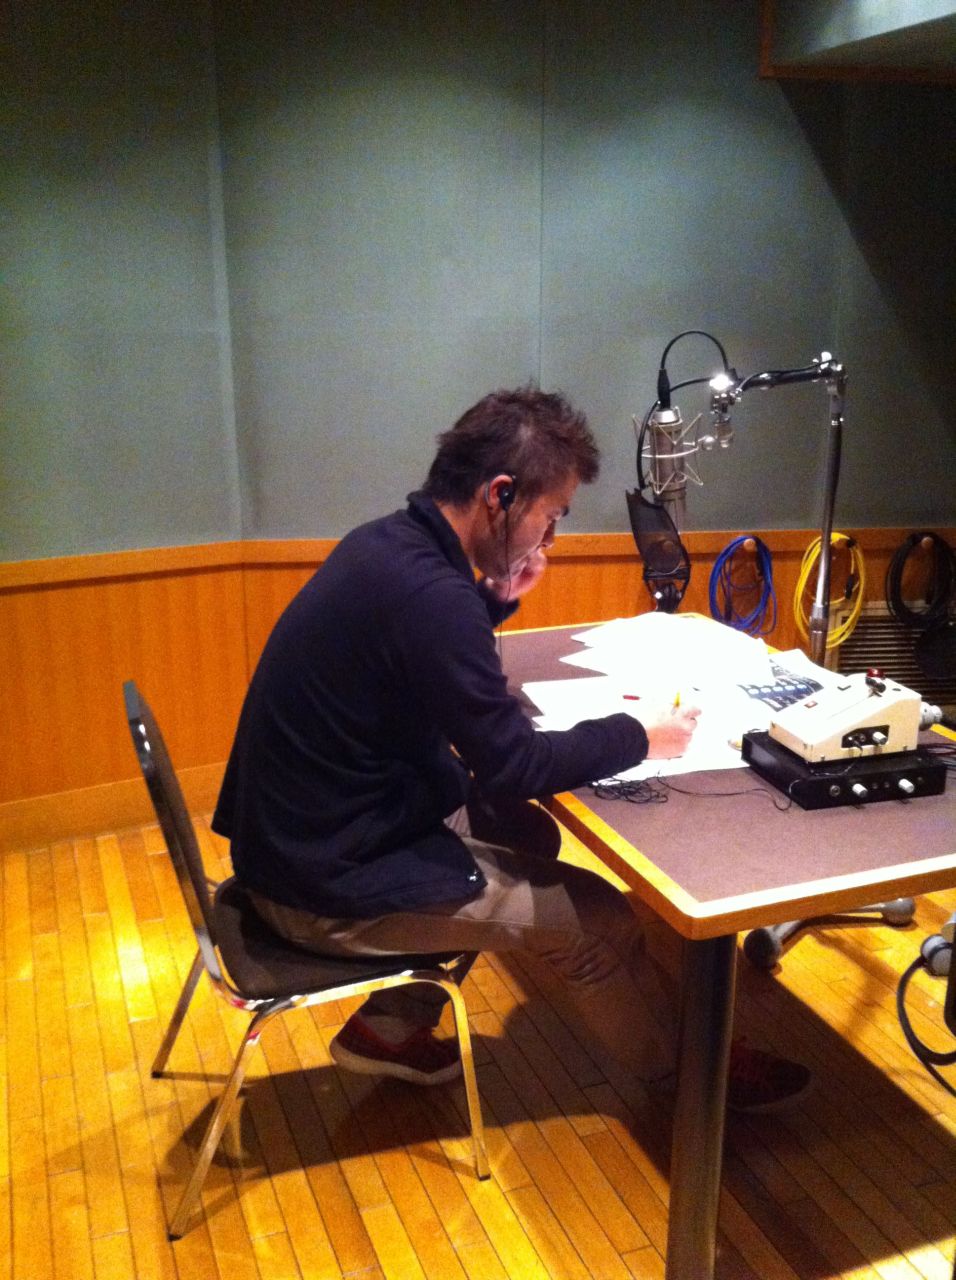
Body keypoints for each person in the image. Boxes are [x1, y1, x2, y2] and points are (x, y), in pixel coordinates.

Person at [213, 386, 810, 1111]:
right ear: (500, 494)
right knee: (598, 924)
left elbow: (425, 653)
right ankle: (693, 1092)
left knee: (523, 832)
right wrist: (641, 735)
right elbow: (513, 765)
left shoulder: (386, 546)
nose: (548, 538)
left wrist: (494, 598)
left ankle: (388, 1030)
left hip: (300, 844)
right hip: (320, 889)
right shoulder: (432, 596)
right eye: (551, 517)